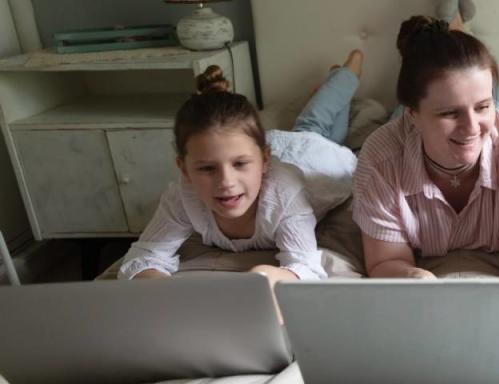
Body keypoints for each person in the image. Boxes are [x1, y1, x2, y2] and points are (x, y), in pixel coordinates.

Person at [116, 49, 366, 284]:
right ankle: (335, 80)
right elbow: (143, 257)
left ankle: (348, 71)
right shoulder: (182, 196)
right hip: (275, 152)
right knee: (313, 126)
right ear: (184, 169)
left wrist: (273, 275)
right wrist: (159, 286)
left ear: (264, 160)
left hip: (315, 159)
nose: (226, 182)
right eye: (206, 168)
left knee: (315, 127)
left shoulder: (285, 195)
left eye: (239, 164)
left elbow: (306, 267)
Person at [352, 16, 499, 279]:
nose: (472, 127)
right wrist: (412, 278)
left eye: (483, 106)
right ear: (413, 114)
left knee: (494, 111)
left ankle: (458, 29)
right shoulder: (380, 161)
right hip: (407, 134)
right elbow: (386, 262)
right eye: (450, 113)